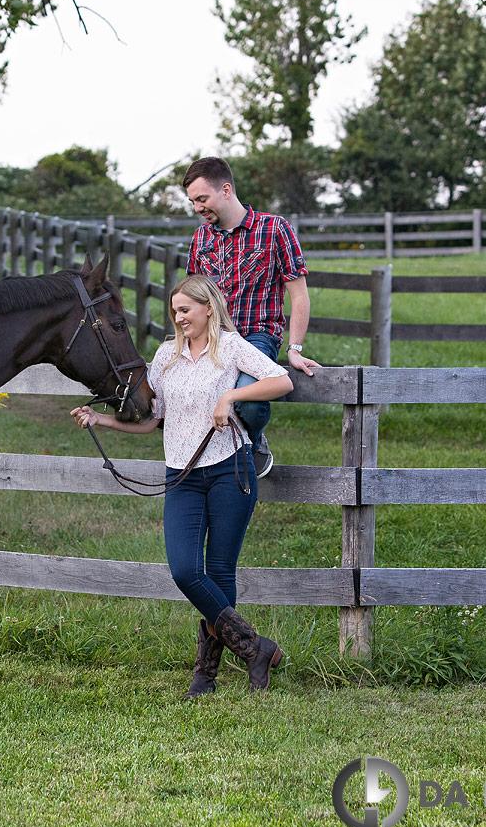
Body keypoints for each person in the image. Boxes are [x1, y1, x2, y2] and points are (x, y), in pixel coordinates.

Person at [71, 275, 294, 698]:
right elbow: (153, 419)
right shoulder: (165, 356)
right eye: (175, 311)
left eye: (185, 310)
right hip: (183, 475)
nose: (178, 317)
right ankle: (255, 648)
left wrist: (228, 399)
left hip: (231, 467)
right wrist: (101, 420)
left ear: (208, 307)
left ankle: (204, 678)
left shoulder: (229, 346)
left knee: (220, 571)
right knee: (186, 570)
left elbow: (281, 381)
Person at [184, 157, 319, 478]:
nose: (197, 208)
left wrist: (295, 349)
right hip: (214, 339)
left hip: (257, 337)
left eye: (202, 199)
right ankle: (214, 463)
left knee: (250, 402)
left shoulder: (275, 229)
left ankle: (253, 441)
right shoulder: (201, 239)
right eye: (192, 202)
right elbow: (190, 299)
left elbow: (298, 294)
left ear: (226, 190)